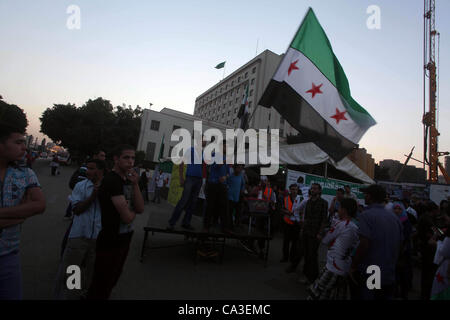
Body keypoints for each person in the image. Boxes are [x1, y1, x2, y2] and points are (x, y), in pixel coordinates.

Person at [0, 100, 46, 300]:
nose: (24, 148)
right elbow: (30, 208)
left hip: (8, 255)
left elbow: (39, 205)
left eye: (24, 143)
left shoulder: (25, 174)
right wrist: (20, 214)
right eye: (18, 142)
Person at [87, 145, 144, 300]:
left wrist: (136, 184)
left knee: (112, 280)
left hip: (124, 237)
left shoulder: (128, 180)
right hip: (110, 239)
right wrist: (132, 209)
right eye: (126, 157)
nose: (130, 162)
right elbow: (128, 216)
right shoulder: (112, 180)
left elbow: (140, 208)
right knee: (101, 284)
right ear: (116, 159)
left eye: (133, 158)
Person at [54, 159, 105, 299]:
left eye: (92, 168)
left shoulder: (107, 188)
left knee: (91, 275)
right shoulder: (81, 186)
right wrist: (93, 196)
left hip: (97, 239)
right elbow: (76, 209)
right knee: (73, 274)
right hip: (79, 237)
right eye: (87, 168)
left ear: (100, 171)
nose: (88, 171)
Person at [349, 184, 403, 300]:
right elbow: (400, 244)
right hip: (389, 271)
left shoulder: (366, 215)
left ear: (370, 197)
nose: (364, 196)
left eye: (366, 194)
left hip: (372, 271)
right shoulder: (394, 217)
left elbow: (364, 244)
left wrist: (353, 266)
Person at [307, 198, 359, 300]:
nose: (337, 210)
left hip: (333, 267)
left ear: (344, 210)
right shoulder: (355, 226)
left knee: (317, 294)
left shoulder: (342, 224)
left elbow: (325, 240)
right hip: (344, 267)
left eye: (339, 208)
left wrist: (319, 236)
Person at [167, 137, 206, 231]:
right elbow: (181, 163)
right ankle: (172, 223)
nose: (205, 142)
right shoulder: (191, 150)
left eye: (206, 141)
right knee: (183, 201)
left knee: (193, 203)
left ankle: (186, 222)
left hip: (198, 180)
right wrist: (181, 178)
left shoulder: (204, 153)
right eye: (203, 140)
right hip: (190, 178)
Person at [296, 183, 329, 284]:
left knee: (312, 255)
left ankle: (313, 278)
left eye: (315, 188)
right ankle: (306, 274)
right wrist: (302, 229)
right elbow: (306, 217)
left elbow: (324, 219)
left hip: (315, 233)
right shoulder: (308, 202)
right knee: (306, 254)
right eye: (312, 188)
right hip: (306, 231)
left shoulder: (324, 202)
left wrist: (320, 233)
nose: (313, 190)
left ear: (319, 191)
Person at [203, 141, 231, 233]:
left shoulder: (226, 158)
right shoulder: (214, 154)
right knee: (210, 205)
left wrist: (225, 177)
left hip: (222, 185)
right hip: (213, 183)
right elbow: (214, 167)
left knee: (224, 206)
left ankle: (225, 227)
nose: (226, 148)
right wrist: (224, 161)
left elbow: (228, 172)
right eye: (225, 146)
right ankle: (206, 226)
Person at [417, 201, 440, 300]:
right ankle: (426, 294)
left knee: (426, 273)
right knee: (429, 273)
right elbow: (437, 232)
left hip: (424, 246)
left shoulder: (424, 217)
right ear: (434, 210)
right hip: (429, 249)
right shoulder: (428, 219)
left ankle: (424, 293)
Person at [392, 201, 413, 300]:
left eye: (399, 208)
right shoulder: (391, 220)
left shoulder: (406, 221)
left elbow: (406, 237)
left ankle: (404, 293)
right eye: (395, 208)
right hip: (394, 250)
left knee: (403, 273)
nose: (397, 210)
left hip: (404, 252)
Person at [281, 184, 302, 263]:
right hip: (287, 222)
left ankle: (292, 257)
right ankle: (285, 257)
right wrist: (287, 212)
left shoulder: (301, 198)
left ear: (297, 190)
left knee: (295, 242)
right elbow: (281, 209)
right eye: (292, 189)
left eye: (295, 189)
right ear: (290, 190)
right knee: (286, 241)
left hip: (296, 223)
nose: (294, 191)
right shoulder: (285, 198)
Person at [227, 164, 245, 229]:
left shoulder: (241, 176)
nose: (239, 170)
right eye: (238, 168)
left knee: (238, 212)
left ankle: (236, 224)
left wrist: (242, 190)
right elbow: (226, 183)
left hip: (237, 197)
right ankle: (230, 225)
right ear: (234, 168)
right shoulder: (230, 176)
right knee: (230, 211)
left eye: (240, 168)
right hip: (230, 196)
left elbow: (243, 184)